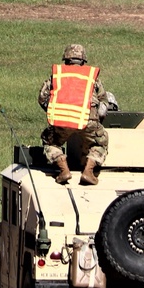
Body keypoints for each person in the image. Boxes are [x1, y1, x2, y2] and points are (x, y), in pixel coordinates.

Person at [39, 44, 113, 186]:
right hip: (88, 119)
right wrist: (97, 119)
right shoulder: (91, 77)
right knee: (100, 142)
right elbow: (104, 104)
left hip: (61, 120)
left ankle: (63, 170)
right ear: (83, 60)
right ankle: (88, 172)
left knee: (50, 142)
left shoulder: (57, 75)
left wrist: (54, 111)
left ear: (65, 59)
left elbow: (42, 97)